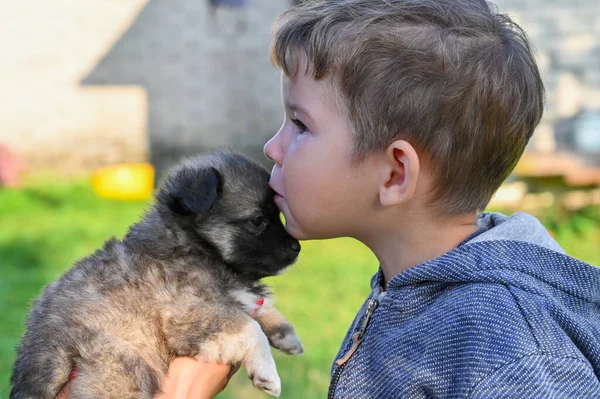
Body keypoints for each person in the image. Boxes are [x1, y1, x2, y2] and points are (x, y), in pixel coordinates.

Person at [85, 0, 600, 397]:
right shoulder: (418, 288)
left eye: (300, 123)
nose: (272, 147)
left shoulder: (507, 342)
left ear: (396, 172)